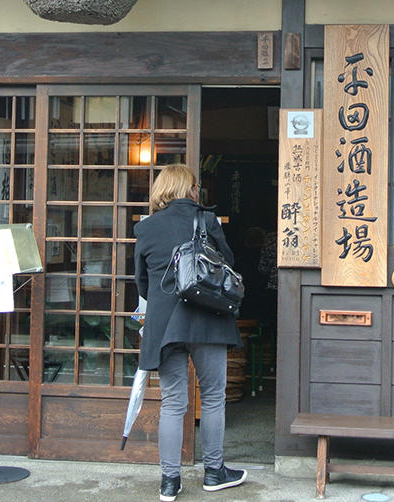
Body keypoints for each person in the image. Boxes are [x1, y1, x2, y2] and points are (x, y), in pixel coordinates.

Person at [133, 164, 247, 502]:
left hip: (166, 325)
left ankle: (169, 481)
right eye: (196, 186)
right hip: (208, 319)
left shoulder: (147, 227)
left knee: (173, 402)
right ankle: (214, 472)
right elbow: (225, 262)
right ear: (190, 189)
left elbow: (141, 281)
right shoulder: (206, 220)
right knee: (212, 396)